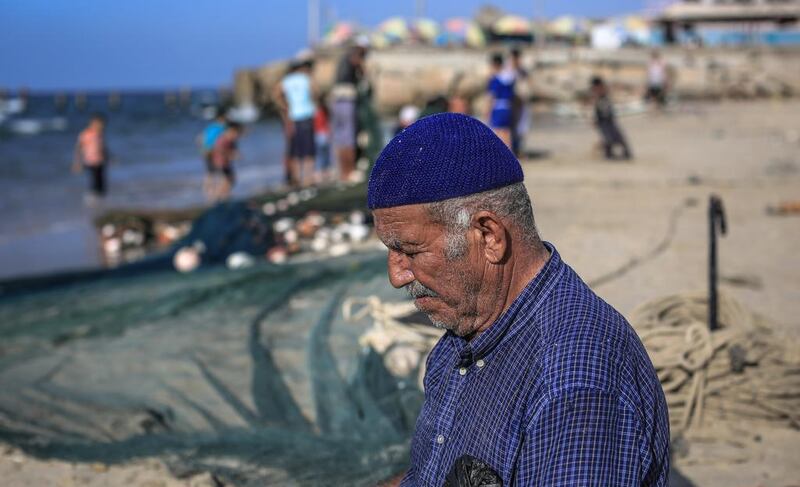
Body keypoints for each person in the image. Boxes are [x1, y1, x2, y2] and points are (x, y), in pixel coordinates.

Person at [368, 113, 669, 486]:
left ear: (489, 236)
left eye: (410, 251)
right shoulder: (466, 334)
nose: (396, 276)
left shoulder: (574, 386)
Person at [274, 56, 317, 187]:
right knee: (309, 149)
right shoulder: (306, 78)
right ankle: (308, 178)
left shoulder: (286, 81)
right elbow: (315, 92)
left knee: (295, 150)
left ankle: (297, 177)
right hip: (306, 115)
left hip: (293, 117)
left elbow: (276, 94)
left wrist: (284, 106)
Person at [331, 44, 367, 182]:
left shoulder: (342, 60)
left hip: (336, 100)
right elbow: (357, 64)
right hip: (347, 99)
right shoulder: (352, 58)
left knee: (341, 138)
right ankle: (349, 172)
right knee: (349, 137)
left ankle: (342, 173)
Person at [591, 76, 633, 160]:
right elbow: (597, 111)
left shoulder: (604, 94)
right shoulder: (598, 96)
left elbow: (609, 109)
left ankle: (623, 154)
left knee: (619, 138)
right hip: (603, 122)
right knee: (609, 139)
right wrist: (595, 121)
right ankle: (608, 154)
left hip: (610, 120)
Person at [72, 113, 110, 201]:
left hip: (100, 161)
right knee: (94, 180)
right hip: (90, 161)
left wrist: (108, 157)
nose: (101, 127)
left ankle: (102, 200)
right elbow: (78, 149)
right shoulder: (85, 134)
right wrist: (77, 163)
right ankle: (92, 198)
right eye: (99, 125)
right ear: (92, 123)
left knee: (101, 181)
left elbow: (103, 147)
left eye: (102, 126)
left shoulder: (100, 135)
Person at [486, 53, 515, 148]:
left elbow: (491, 96)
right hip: (508, 107)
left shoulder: (495, 79)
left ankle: (500, 153)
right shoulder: (509, 77)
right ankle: (510, 152)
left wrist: (487, 110)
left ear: (495, 64)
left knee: (497, 131)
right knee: (507, 131)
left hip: (498, 107)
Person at [209, 121, 243, 201]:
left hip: (225, 162)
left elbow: (233, 147)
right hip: (220, 163)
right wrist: (231, 154)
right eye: (236, 132)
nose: (236, 135)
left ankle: (222, 196)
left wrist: (234, 153)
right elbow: (219, 150)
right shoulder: (223, 138)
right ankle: (217, 196)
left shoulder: (231, 139)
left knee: (230, 180)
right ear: (231, 130)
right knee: (227, 180)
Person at [198, 111, 227, 200]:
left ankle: (207, 191)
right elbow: (222, 141)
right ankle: (217, 193)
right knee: (219, 171)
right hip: (214, 151)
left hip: (206, 151)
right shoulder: (222, 128)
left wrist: (203, 148)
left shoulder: (210, 127)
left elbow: (199, 138)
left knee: (210, 172)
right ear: (221, 118)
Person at [509, 47, 530, 158]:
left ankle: (519, 150)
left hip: (520, 103)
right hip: (512, 103)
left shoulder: (522, 71)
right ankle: (513, 150)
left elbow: (526, 87)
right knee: (512, 127)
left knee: (521, 127)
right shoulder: (509, 71)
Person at [313, 94, 332, 184]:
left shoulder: (316, 112)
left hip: (318, 136)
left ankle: (320, 174)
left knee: (320, 156)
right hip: (325, 135)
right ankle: (326, 174)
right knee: (326, 156)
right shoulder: (325, 111)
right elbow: (327, 124)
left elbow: (314, 126)